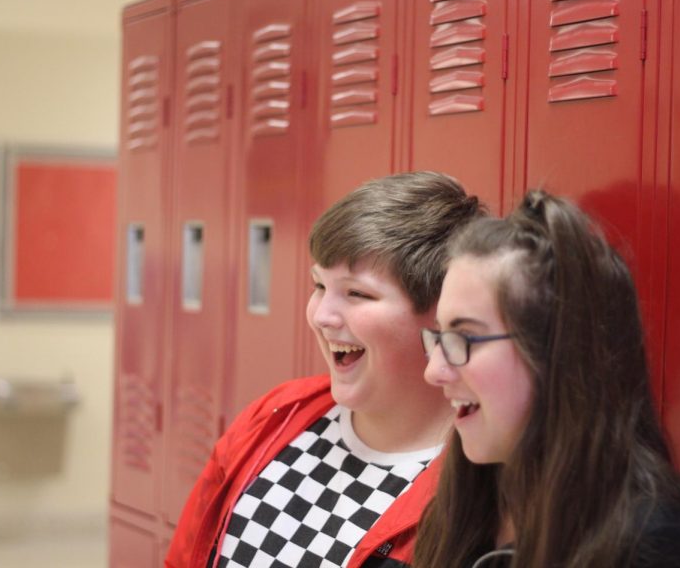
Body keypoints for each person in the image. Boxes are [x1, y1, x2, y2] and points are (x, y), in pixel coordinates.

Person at [165, 172, 485, 568]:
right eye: (319, 286)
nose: (322, 316)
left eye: (357, 293)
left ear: (444, 314)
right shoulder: (276, 418)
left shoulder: (479, 488)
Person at [415, 191, 680, 568]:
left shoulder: (663, 545)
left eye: (465, 339)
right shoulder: (471, 500)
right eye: (439, 337)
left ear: (557, 351)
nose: (434, 371)